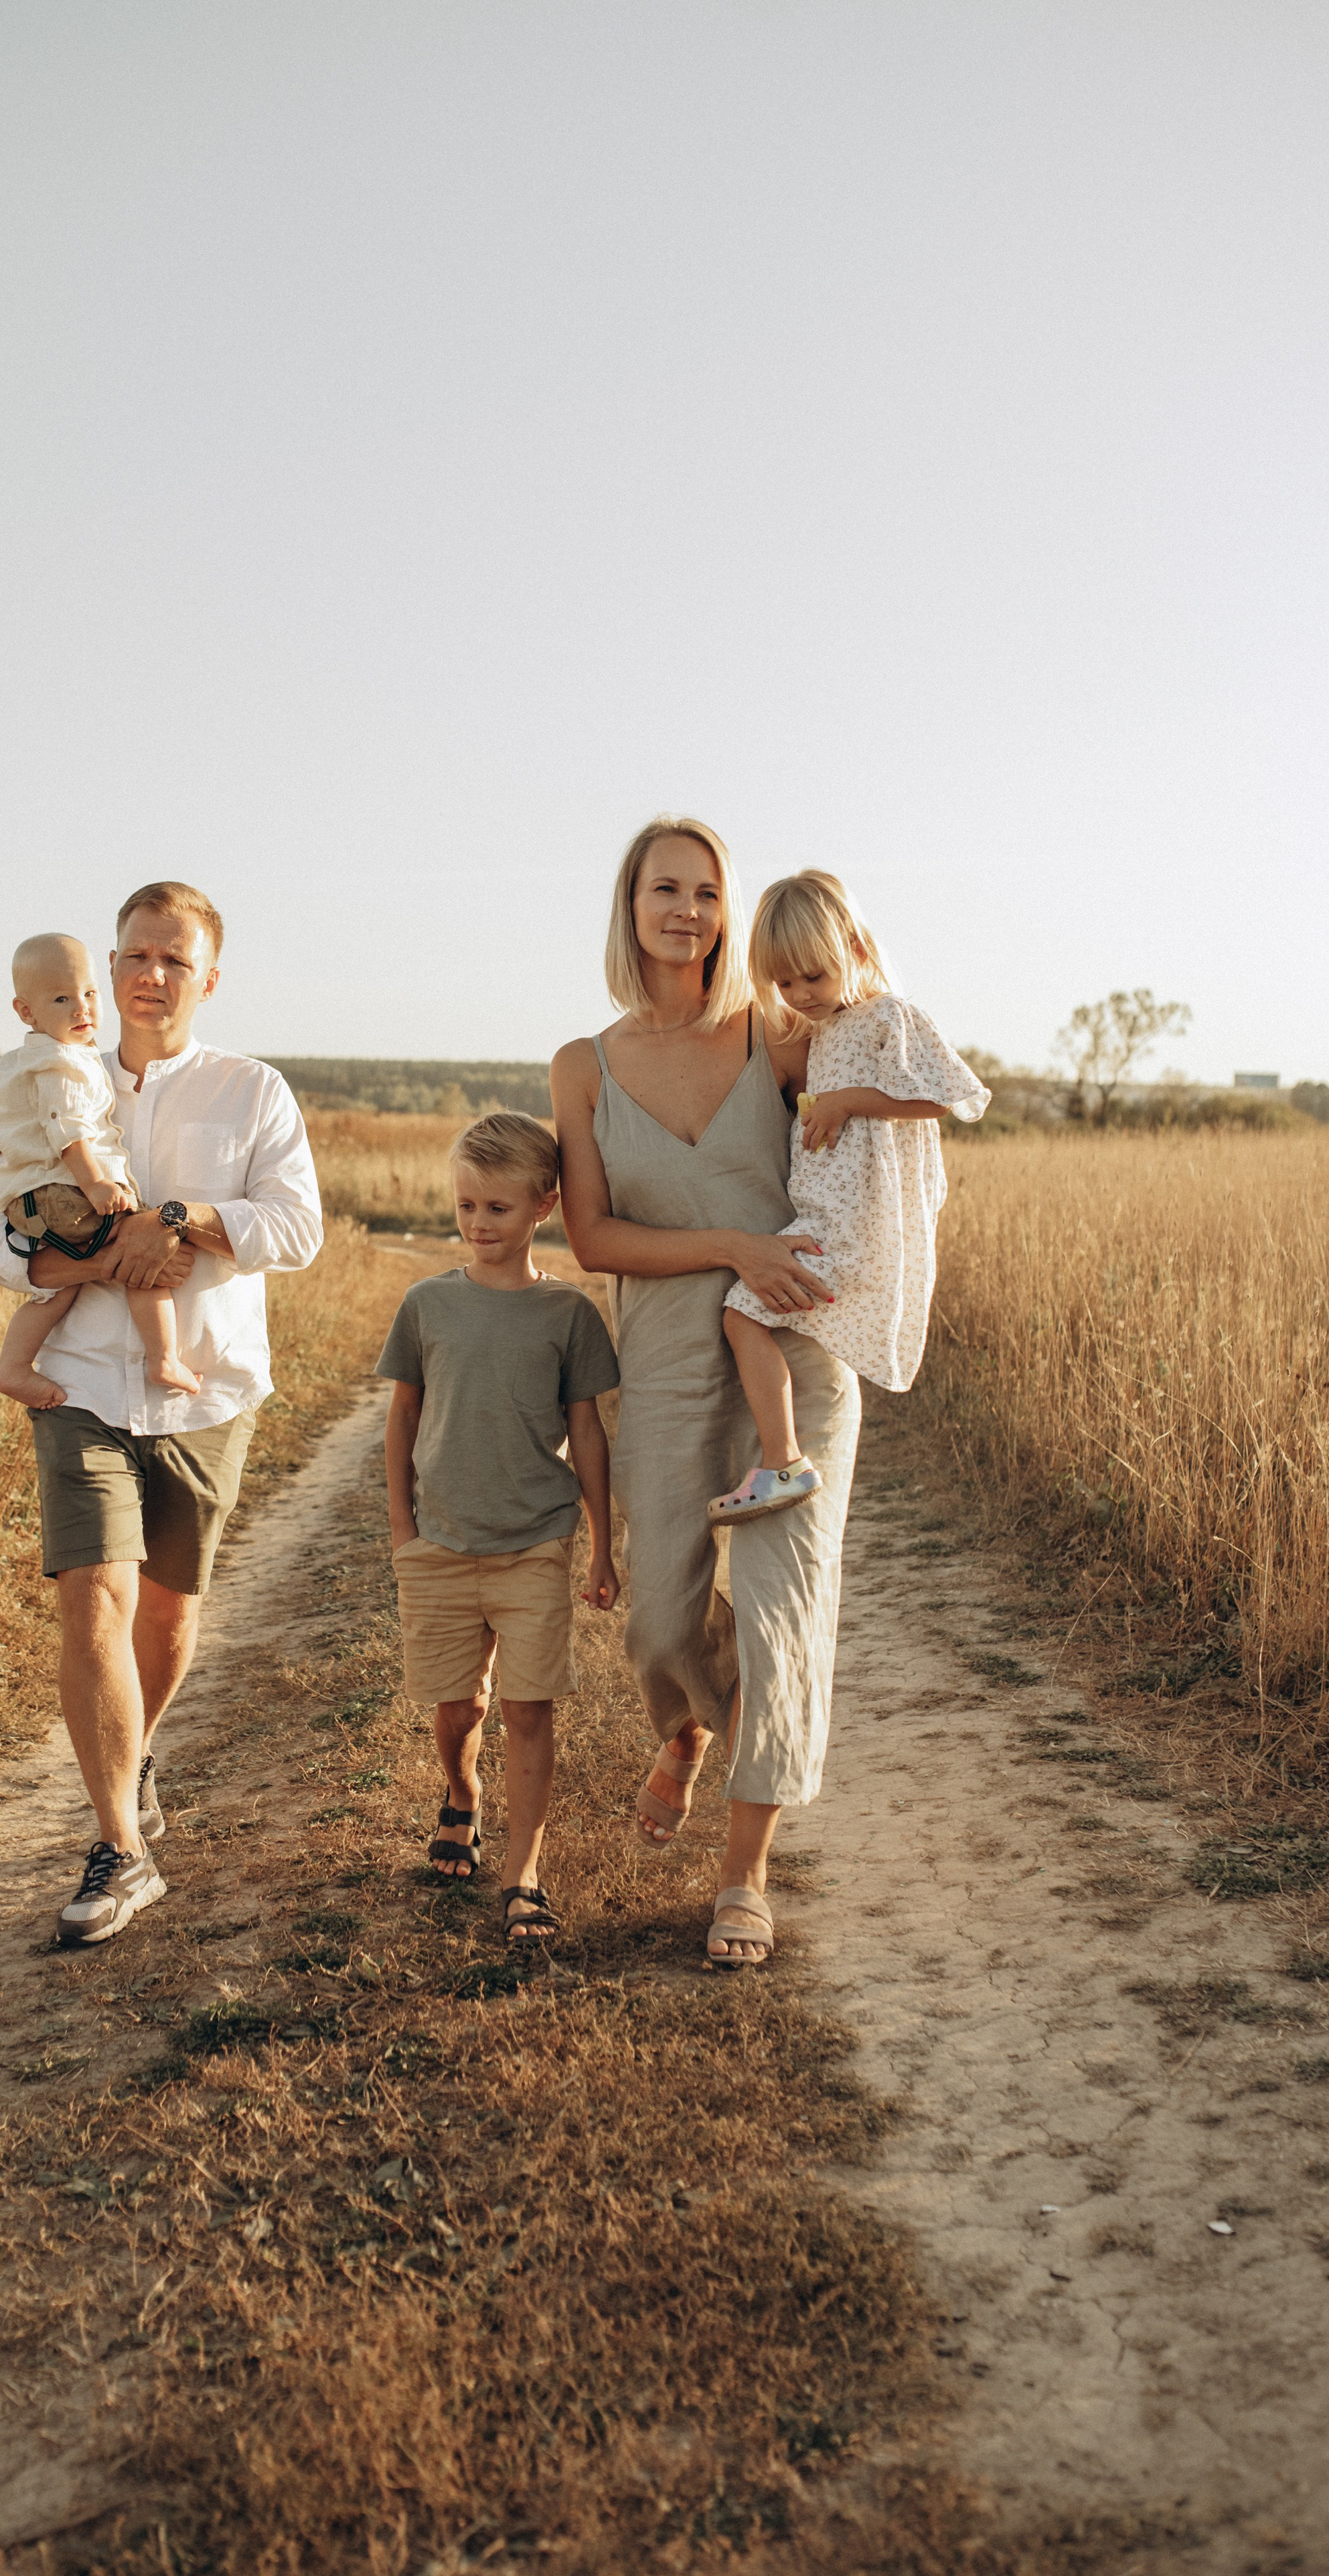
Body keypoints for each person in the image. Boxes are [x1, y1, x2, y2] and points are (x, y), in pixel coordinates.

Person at [0, 880, 323, 1946]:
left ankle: (136, 1751)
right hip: (78, 1381)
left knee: (166, 1613)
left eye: (174, 958)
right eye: (135, 954)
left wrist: (182, 1221)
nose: (150, 975)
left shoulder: (252, 1091)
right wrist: (91, 1259)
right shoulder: (51, 1078)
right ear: (111, 964)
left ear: (208, 978)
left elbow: (298, 1230)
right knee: (96, 1595)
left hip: (205, 1387)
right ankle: (118, 1846)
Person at [551, 817, 854, 1969]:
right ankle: (683, 1728)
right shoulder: (584, 1064)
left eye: (708, 891)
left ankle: (744, 1877)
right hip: (668, 1359)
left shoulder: (778, 1034)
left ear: (731, 912)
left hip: (795, 1357)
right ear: (630, 907)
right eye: (665, 889)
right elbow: (592, 1236)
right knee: (663, 1621)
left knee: (781, 1617)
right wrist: (733, 1241)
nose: (687, 909)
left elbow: (891, 1066)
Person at [377, 1113, 621, 1943]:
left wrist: (601, 1544)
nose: (478, 1223)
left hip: (535, 1541)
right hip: (440, 1543)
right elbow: (401, 1417)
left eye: (497, 1208)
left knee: (527, 1708)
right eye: (466, 1205)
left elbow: (587, 1431)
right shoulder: (427, 1304)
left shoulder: (567, 1312)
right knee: (458, 1707)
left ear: (543, 1205)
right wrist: (403, 1528)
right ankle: (461, 1790)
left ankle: (523, 1871)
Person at [710, 872, 990, 1522]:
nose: (800, 994)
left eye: (813, 976)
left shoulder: (888, 1016)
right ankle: (781, 1457)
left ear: (856, 950)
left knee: (741, 1314)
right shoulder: (821, 1031)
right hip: (821, 1215)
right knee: (746, 1314)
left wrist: (847, 1101)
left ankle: (783, 1463)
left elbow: (945, 1097)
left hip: (854, 1223)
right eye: (784, 983)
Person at [0, 931, 203, 1409]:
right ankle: (164, 1359)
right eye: (62, 999)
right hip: (69, 1193)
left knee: (59, 1289)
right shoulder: (65, 1064)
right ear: (26, 1011)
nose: (82, 1008)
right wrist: (96, 1183)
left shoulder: (14, 1067)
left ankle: (14, 1367)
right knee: (142, 1252)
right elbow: (68, 1130)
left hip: (29, 1203)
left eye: (90, 993)